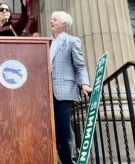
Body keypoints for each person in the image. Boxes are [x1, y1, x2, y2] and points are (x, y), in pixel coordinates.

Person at [49, 11, 92, 164]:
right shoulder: (46, 42)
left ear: (64, 24)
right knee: (51, 132)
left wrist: (84, 83)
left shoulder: (72, 41)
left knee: (64, 132)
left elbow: (80, 66)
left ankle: (70, 161)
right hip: (45, 94)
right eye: (51, 18)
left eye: (55, 19)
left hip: (64, 92)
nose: (51, 21)